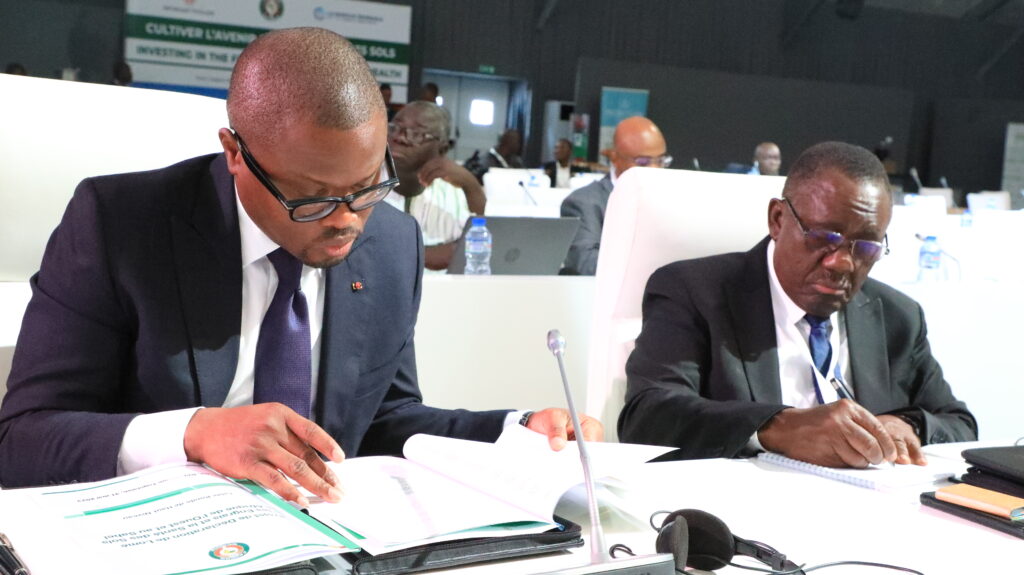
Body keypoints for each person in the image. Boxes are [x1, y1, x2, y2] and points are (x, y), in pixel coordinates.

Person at [0, 28, 601, 503]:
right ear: (235, 153)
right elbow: (21, 439)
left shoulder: (392, 243)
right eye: (313, 197)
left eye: (368, 187)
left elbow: (386, 418)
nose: (348, 221)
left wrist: (513, 433)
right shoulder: (120, 225)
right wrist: (194, 433)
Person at [618, 141, 976, 468]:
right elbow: (647, 416)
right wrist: (779, 427)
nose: (842, 263)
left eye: (865, 248)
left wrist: (906, 425)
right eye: (824, 237)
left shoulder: (898, 316)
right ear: (777, 220)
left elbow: (960, 424)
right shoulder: (694, 292)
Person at [560, 116, 669, 276]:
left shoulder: (672, 199)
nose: (655, 169)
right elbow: (586, 264)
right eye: (643, 161)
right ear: (615, 158)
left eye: (660, 160)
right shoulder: (585, 203)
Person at [385, 101, 486, 270]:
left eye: (416, 134)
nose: (399, 137)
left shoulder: (456, 194)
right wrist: (424, 255)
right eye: (394, 127)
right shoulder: (361, 185)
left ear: (442, 148)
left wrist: (471, 185)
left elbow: (482, 247)